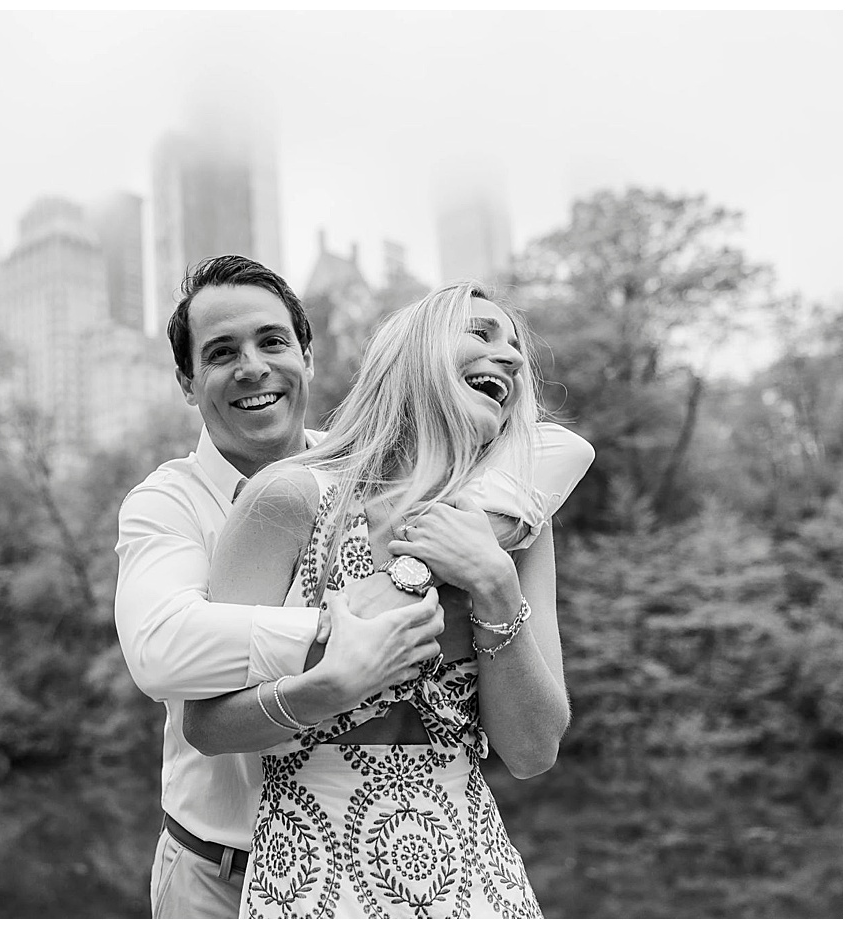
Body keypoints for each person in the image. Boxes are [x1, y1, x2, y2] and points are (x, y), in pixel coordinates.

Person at [115, 256, 593, 917]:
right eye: (481, 333)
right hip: (272, 872)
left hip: (474, 881)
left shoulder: (515, 524)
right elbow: (179, 679)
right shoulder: (265, 496)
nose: (508, 356)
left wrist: (493, 585)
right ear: (188, 381)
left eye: (273, 341)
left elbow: (535, 750)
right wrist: (336, 665)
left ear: (307, 357)